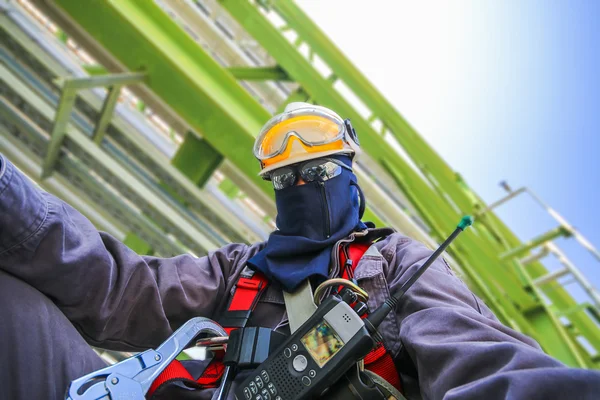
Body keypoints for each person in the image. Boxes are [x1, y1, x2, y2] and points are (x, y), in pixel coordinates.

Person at [0, 102, 598, 400]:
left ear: (348, 170)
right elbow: (118, 289)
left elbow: (476, 359)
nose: (301, 186)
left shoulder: (396, 265)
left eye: (317, 169)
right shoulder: (240, 271)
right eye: (284, 178)